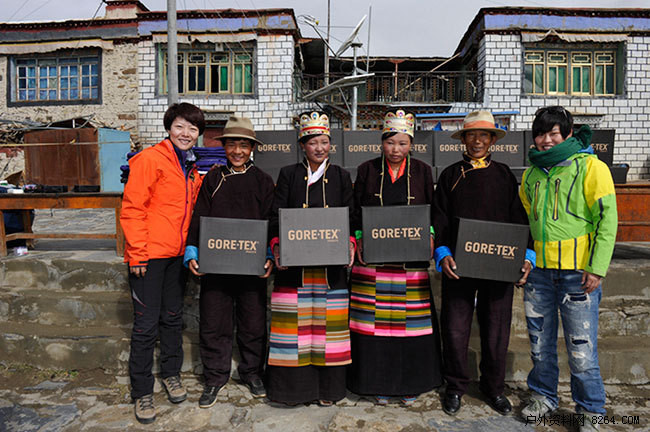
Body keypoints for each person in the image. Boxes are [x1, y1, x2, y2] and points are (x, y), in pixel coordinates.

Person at [519, 106, 617, 432]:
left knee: (582, 349)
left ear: (568, 134)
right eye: (541, 133)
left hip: (578, 275)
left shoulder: (591, 167)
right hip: (539, 275)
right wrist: (527, 258)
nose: (546, 140)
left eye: (554, 133)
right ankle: (543, 396)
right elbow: (526, 222)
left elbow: (607, 221)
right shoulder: (531, 175)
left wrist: (597, 268)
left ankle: (590, 409)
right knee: (539, 345)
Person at [432, 110, 533, 416]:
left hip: (498, 265)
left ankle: (494, 388)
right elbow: (440, 219)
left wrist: (526, 256)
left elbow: (518, 218)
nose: (477, 141)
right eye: (472, 135)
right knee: (455, 328)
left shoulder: (504, 175)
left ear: (492, 141)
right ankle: (455, 386)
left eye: (484, 136)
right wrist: (443, 254)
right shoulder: (450, 175)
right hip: (459, 266)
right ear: (463, 139)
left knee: (496, 330)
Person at [347, 109, 443, 406]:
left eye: (402, 143)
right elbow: (355, 211)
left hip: (409, 264)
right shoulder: (366, 169)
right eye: (390, 143)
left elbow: (432, 210)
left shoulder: (423, 171)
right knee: (372, 327)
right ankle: (375, 382)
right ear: (382, 143)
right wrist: (359, 238)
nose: (396, 149)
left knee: (410, 327)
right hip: (372, 264)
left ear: (411, 144)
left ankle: (410, 383)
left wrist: (429, 235)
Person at [120, 102, 205, 424]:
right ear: (169, 128)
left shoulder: (190, 166)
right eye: (180, 126)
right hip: (150, 257)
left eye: (193, 129)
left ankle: (171, 374)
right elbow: (133, 208)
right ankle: (142, 391)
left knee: (172, 319)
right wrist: (138, 253)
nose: (186, 133)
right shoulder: (150, 160)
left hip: (176, 257)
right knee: (145, 326)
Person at [183, 116, 275, 408]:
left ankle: (252, 373)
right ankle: (214, 376)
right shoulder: (213, 178)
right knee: (214, 322)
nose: (237, 151)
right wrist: (193, 250)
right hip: (217, 264)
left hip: (251, 266)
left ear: (252, 148)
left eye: (244, 145)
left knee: (253, 322)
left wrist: (269, 254)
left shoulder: (263, 180)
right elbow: (200, 214)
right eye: (232, 144)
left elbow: (270, 220)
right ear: (224, 147)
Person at [266, 110, 355, 406]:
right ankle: (294, 392)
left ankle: (329, 391)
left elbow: (351, 216)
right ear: (302, 145)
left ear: (331, 144)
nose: (319, 148)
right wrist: (277, 246)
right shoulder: (288, 174)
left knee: (329, 330)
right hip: (295, 269)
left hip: (331, 270)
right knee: (294, 331)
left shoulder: (341, 176)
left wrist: (350, 243)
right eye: (313, 142)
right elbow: (276, 215)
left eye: (324, 142)